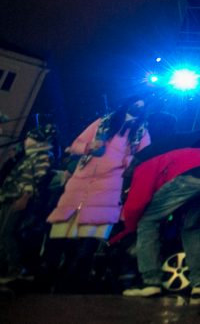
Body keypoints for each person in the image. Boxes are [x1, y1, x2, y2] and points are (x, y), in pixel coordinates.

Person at [112, 139, 200, 297]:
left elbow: (137, 203)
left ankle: (150, 282)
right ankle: (199, 284)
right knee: (191, 226)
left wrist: (131, 225)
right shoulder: (177, 153)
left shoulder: (143, 166)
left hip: (190, 176)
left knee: (147, 222)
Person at [47, 97, 150, 239]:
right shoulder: (103, 122)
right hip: (80, 182)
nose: (137, 107)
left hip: (109, 188)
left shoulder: (142, 133)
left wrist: (128, 159)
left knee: (88, 237)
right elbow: (75, 146)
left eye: (142, 106)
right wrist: (88, 147)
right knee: (61, 232)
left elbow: (143, 163)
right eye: (136, 103)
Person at [0, 128, 54, 280]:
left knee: (6, 233)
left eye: (29, 138)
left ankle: (16, 268)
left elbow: (36, 178)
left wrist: (25, 196)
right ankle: (6, 266)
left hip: (19, 198)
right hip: (9, 197)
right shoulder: (27, 156)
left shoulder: (42, 156)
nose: (25, 141)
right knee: (3, 233)